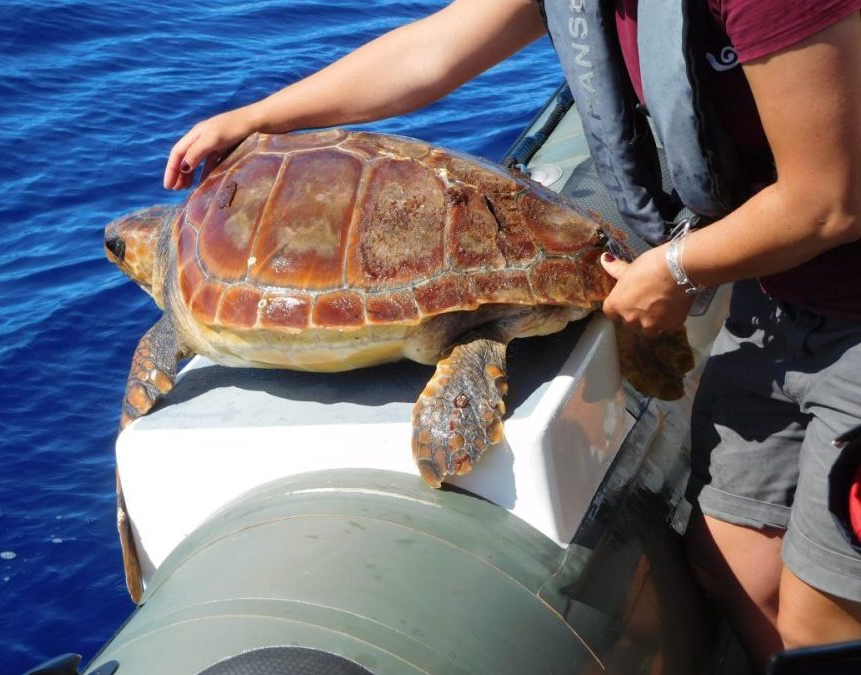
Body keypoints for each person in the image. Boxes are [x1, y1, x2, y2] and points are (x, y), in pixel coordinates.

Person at [161, 1, 861, 670]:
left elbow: (830, 199)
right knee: (730, 561)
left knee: (816, 615)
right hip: (780, 299)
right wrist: (255, 118)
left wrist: (676, 270)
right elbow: (432, 51)